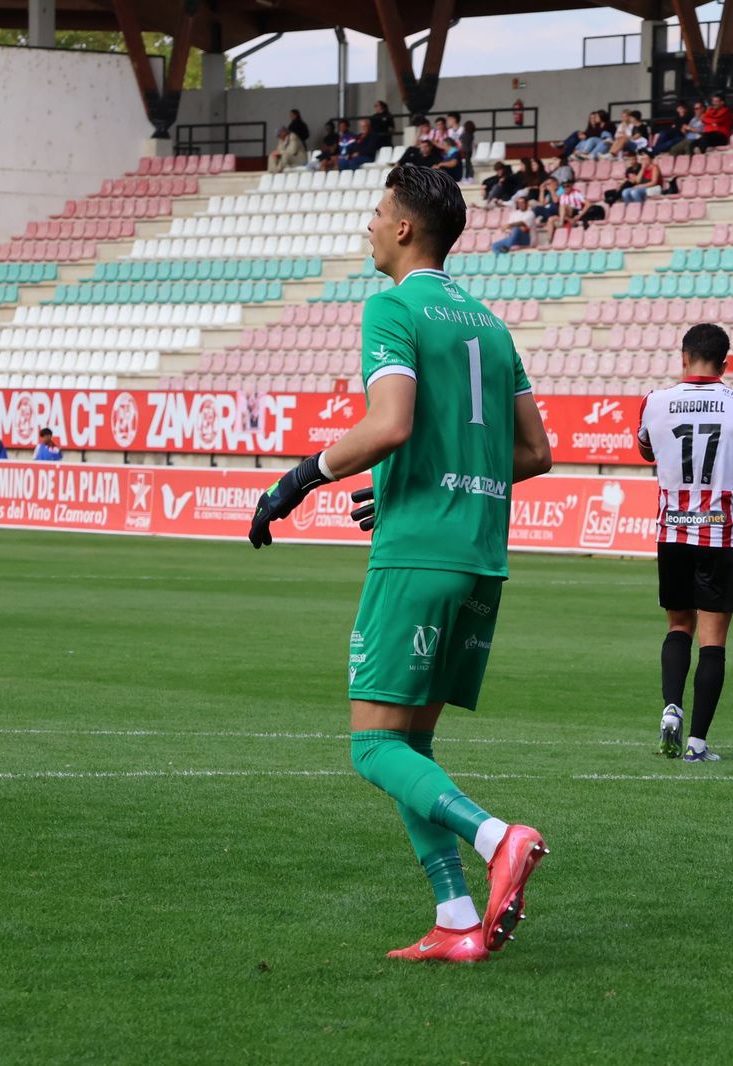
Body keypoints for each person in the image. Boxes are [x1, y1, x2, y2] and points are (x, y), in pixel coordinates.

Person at [246, 164, 554, 965]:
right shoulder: (489, 324)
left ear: (408, 228)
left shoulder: (392, 307)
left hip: (418, 557)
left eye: (379, 212)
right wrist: (419, 485)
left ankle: (498, 838)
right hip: (481, 559)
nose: (370, 226)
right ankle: (456, 920)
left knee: (371, 747)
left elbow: (389, 425)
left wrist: (299, 478)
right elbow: (535, 452)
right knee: (409, 750)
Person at [636, 323, 733, 762]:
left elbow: (645, 450)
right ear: (726, 362)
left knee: (678, 626)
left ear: (683, 357)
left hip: (672, 530)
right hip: (720, 532)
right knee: (713, 642)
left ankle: (671, 706)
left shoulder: (655, 401)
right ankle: (696, 742)